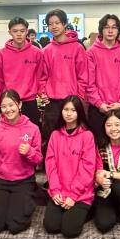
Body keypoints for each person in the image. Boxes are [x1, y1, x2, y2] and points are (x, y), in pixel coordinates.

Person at [0, 90, 42, 234]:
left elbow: (38, 159)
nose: (8, 110)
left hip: (23, 180)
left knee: (15, 226)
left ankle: (28, 199)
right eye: (4, 107)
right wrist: (0, 169)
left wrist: (29, 152)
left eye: (11, 105)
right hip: (0, 180)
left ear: (20, 104)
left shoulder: (33, 129)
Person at [43, 96, 97, 238]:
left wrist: (73, 195)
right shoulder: (55, 135)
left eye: (73, 110)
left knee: (69, 230)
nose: (68, 113)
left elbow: (88, 168)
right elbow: (50, 164)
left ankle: (89, 209)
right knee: (51, 226)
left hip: (80, 194)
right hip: (59, 191)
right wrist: (55, 190)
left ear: (79, 112)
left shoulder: (87, 136)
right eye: (66, 109)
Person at [38, 9, 88, 147]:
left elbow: (83, 76)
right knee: (51, 139)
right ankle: (51, 167)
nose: (54, 26)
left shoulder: (77, 48)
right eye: (50, 24)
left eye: (57, 23)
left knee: (73, 138)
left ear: (65, 24)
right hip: (52, 103)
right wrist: (43, 93)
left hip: (72, 101)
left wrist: (78, 98)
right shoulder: (46, 50)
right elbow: (42, 76)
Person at [86, 14, 120, 142]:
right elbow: (89, 83)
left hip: (119, 108)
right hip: (98, 109)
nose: (110, 30)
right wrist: (99, 103)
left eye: (114, 27)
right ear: (101, 30)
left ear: (119, 30)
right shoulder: (91, 52)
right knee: (98, 148)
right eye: (106, 27)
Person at [0, 17, 44, 128]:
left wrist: (38, 91)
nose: (19, 34)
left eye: (22, 31)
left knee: (32, 134)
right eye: (15, 31)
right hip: (10, 102)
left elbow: (40, 76)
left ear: (27, 31)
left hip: (30, 100)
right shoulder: (2, 54)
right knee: (10, 134)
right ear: (10, 32)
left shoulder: (37, 52)